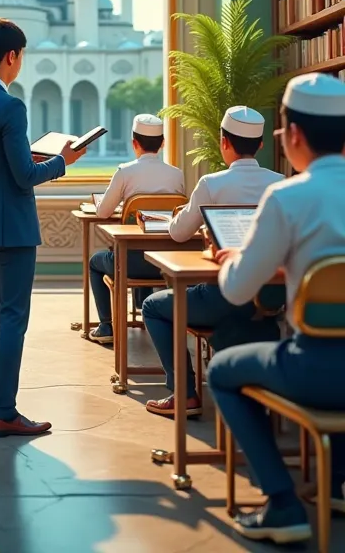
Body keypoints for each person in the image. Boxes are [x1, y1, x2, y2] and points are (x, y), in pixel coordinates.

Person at [208, 74, 345, 545]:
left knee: (222, 371)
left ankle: (283, 504)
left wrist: (228, 262)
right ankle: (338, 483)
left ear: (292, 136)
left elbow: (237, 292)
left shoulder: (287, 198)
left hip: (315, 367)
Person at [0, 18, 85, 438]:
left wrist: (6, 156)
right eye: (21, 56)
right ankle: (5, 410)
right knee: (12, 317)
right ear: (12, 56)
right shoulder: (12, 106)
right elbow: (25, 177)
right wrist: (63, 161)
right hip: (15, 228)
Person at [142, 106, 284, 418]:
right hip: (271, 300)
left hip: (222, 296)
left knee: (153, 305)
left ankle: (185, 393)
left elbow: (179, 234)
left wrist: (178, 217)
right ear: (260, 145)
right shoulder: (282, 183)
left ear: (223, 142)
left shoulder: (212, 183)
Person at [88, 114, 185, 344]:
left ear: (134, 143)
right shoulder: (176, 174)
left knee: (95, 262)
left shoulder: (125, 171)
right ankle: (144, 310)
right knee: (144, 241)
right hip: (165, 263)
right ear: (162, 143)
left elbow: (102, 212)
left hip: (131, 264)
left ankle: (106, 326)